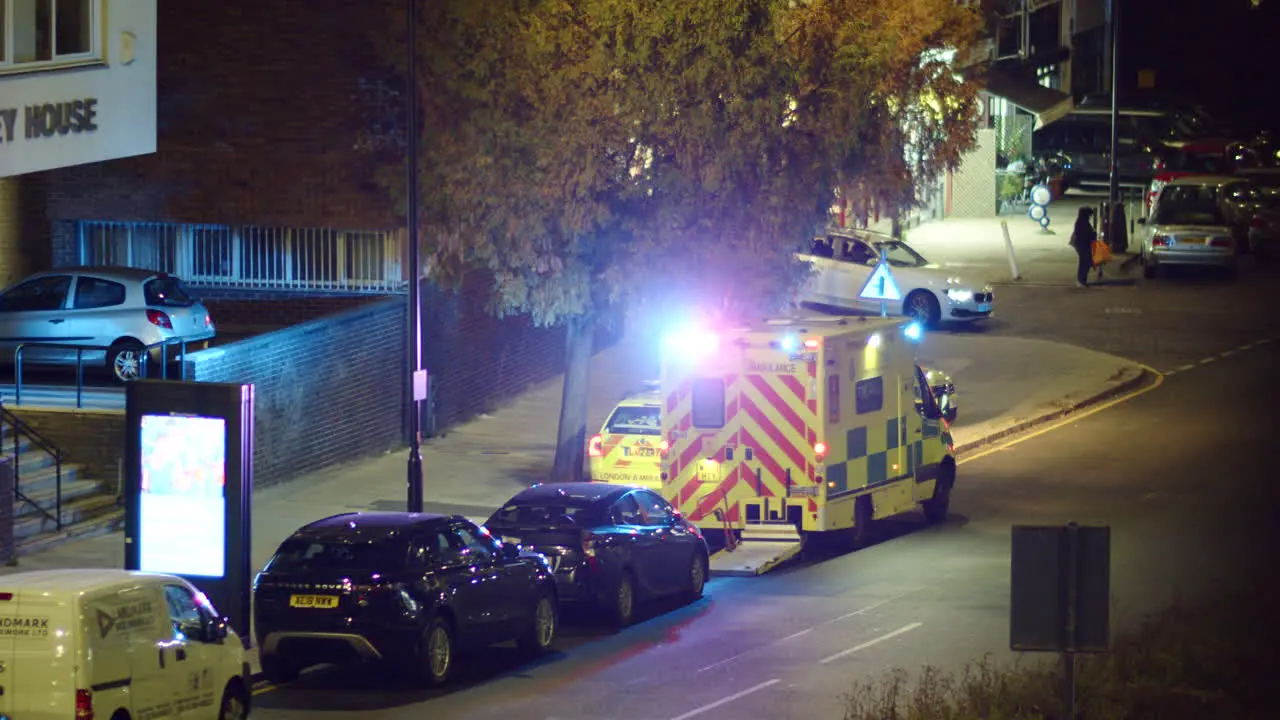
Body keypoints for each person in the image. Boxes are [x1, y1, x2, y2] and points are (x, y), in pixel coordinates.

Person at [1070, 207, 1097, 288]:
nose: (1090, 216)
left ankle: (1082, 280)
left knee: (1085, 262)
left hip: (1081, 244)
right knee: (1084, 263)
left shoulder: (1081, 221)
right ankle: (1081, 281)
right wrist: (1093, 235)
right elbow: (1085, 234)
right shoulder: (1082, 222)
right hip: (1082, 245)